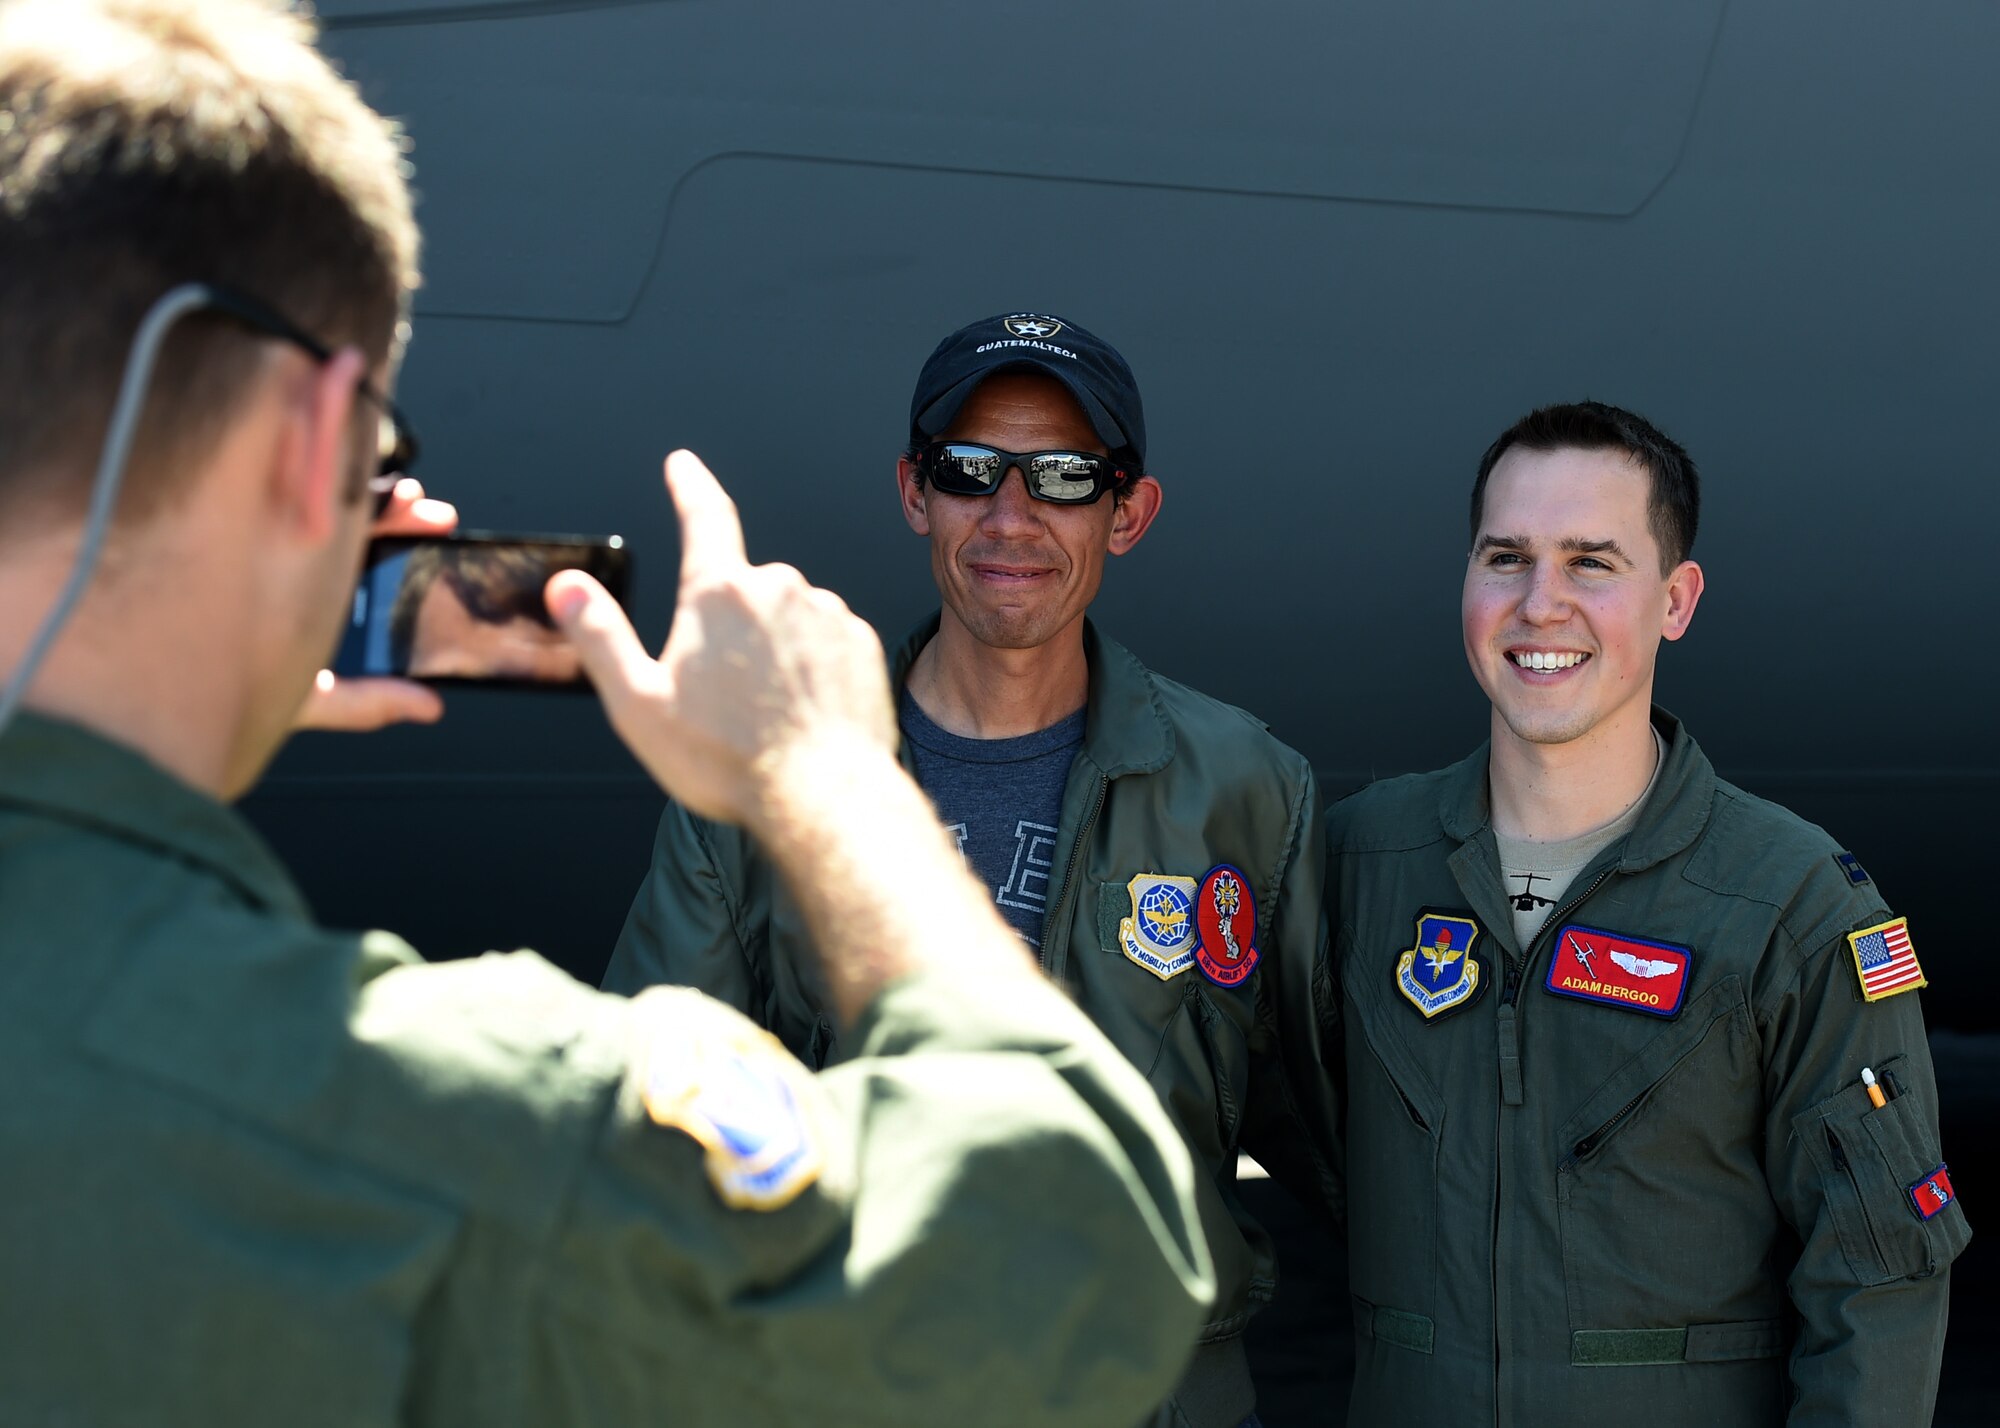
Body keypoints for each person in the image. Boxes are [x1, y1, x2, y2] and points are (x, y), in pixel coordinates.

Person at [0, 3, 1215, 1423]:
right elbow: (1070, 1245)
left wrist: (173, 709)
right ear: (311, 436)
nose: (418, 516)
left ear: (1126, 511)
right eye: (380, 454)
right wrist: (826, 769)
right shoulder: (409, 1115)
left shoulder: (1232, 779)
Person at [606, 310, 1340, 1427]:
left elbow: (1339, 1143)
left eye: (1060, 476)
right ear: (914, 492)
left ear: (1127, 513)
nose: (1010, 516)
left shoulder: (1243, 790)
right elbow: (649, 1113)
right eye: (969, 472)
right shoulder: (774, 771)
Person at [1323, 401, 1967, 1425]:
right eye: (1504, 558)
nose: (1539, 604)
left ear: (1674, 600)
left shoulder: (1787, 904)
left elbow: (1876, 1279)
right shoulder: (1359, 864)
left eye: (1590, 563)